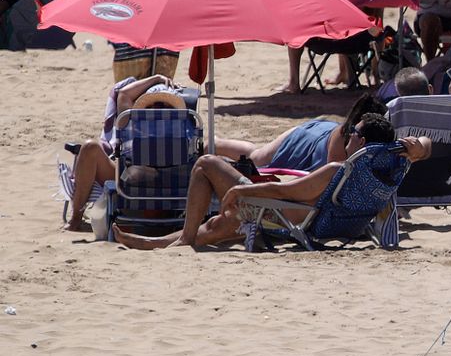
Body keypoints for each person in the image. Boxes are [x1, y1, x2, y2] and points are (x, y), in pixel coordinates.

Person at [113, 114, 431, 251]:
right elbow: (426, 144)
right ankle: (154, 243)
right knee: (225, 223)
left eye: (354, 134)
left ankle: (180, 241)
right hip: (324, 222)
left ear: (362, 141)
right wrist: (416, 147)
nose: (347, 136)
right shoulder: (387, 169)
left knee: (207, 164)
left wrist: (241, 189)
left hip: (287, 216)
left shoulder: (339, 169)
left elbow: (282, 192)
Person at [63, 74, 188, 232]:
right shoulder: (180, 127)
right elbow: (123, 93)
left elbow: (124, 94)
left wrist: (156, 79)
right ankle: (76, 219)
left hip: (138, 181)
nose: (156, 108)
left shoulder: (134, 124)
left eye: (161, 105)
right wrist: (156, 78)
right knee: (90, 148)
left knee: (93, 151)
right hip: (137, 181)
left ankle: (75, 220)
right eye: (153, 104)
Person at [213, 93, 389, 174]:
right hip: (306, 140)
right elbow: (332, 177)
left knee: (258, 155)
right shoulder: (343, 136)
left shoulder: (372, 134)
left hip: (321, 133)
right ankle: (216, 143)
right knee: (257, 157)